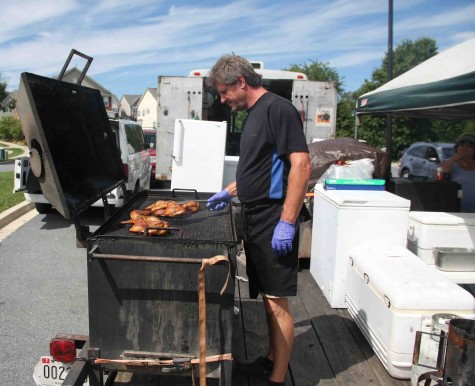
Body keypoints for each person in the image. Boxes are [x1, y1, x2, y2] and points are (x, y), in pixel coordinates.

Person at [205, 54, 311, 386]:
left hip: (272, 218)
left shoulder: (278, 109)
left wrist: (288, 221)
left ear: (241, 82)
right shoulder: (254, 115)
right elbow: (262, 170)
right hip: (255, 217)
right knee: (267, 295)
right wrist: (230, 190)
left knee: (278, 302)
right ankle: (269, 359)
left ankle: (277, 379)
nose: (223, 100)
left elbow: (301, 164)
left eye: (224, 93)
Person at [441, 133, 475, 212]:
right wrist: (453, 159)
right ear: (457, 147)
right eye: (462, 145)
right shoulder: (449, 163)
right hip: (456, 211)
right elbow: (442, 179)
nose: (465, 148)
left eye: (469, 146)